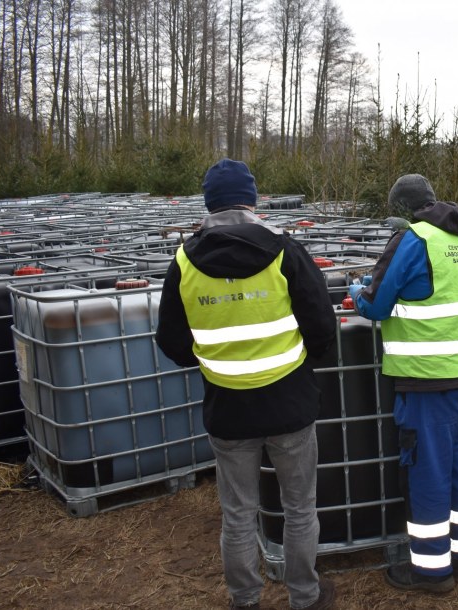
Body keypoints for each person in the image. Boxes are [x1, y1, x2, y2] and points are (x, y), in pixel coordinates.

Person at [155, 158, 337, 610]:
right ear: (252, 200)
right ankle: (306, 597)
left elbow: (171, 340)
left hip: (228, 411)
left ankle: (244, 599)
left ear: (208, 203)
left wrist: (212, 362)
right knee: (299, 509)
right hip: (289, 403)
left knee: (238, 515)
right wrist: (301, 363)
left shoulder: (183, 262)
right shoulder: (284, 251)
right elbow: (321, 325)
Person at [348, 174, 458, 593]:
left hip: (427, 382)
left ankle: (431, 571)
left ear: (403, 207)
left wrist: (355, 290)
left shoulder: (413, 239)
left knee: (427, 471)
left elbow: (375, 305)